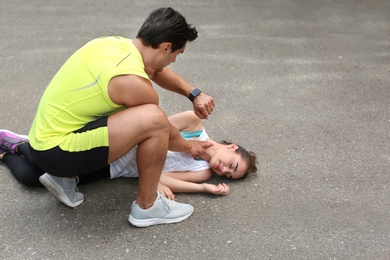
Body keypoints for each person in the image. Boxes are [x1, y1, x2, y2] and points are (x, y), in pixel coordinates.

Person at [24, 7, 216, 228]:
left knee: (140, 114)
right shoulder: (133, 83)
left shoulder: (113, 44)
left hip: (41, 139)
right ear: (166, 47)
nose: (174, 61)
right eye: (176, 54)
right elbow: (159, 125)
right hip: (57, 152)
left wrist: (194, 94)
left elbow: (154, 69)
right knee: (154, 120)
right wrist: (189, 147)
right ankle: (148, 206)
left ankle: (63, 179)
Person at [0, 111, 258, 201]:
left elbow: (164, 178)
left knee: (32, 179)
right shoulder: (193, 125)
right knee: (41, 161)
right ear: (232, 147)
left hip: (114, 170)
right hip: (114, 145)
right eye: (232, 165)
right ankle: (19, 143)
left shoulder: (202, 172)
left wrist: (204, 189)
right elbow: (157, 126)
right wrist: (156, 177)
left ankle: (5, 152)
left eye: (229, 175)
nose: (224, 171)